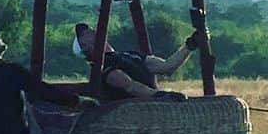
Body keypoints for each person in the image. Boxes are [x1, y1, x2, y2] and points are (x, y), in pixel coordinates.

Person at [73, 22, 204, 102]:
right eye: (86, 34)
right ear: (85, 47)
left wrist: (190, 45)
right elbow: (130, 86)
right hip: (136, 116)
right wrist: (161, 95)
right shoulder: (103, 69)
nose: (92, 30)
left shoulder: (130, 55)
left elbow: (166, 67)